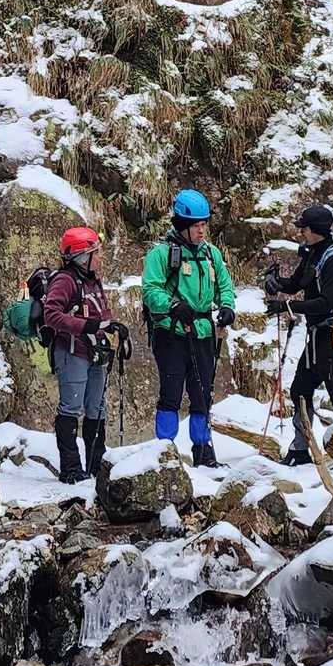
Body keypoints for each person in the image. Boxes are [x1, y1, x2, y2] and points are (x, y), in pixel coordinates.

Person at [142, 190, 235, 467]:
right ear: (182, 226)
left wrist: (227, 306)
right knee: (170, 393)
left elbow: (224, 285)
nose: (201, 231)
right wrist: (172, 305)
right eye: (196, 226)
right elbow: (150, 290)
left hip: (203, 333)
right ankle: (165, 451)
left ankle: (203, 451)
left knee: (202, 394)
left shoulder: (211, 254)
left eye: (204, 224)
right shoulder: (161, 255)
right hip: (172, 334)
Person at [266, 204, 333, 469]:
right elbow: (296, 284)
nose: (301, 232)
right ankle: (300, 449)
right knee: (300, 390)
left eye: (304, 228)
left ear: (315, 230)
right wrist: (277, 282)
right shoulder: (313, 255)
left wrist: (287, 306)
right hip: (316, 337)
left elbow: (325, 302)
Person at [34, 227, 126, 484]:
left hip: (95, 352)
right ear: (82, 257)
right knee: (71, 407)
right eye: (96, 252)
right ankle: (71, 468)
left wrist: (113, 326)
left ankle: (96, 465)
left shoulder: (93, 280)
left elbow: (101, 312)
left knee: (97, 407)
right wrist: (87, 326)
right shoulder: (65, 280)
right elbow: (51, 314)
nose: (100, 257)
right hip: (72, 352)